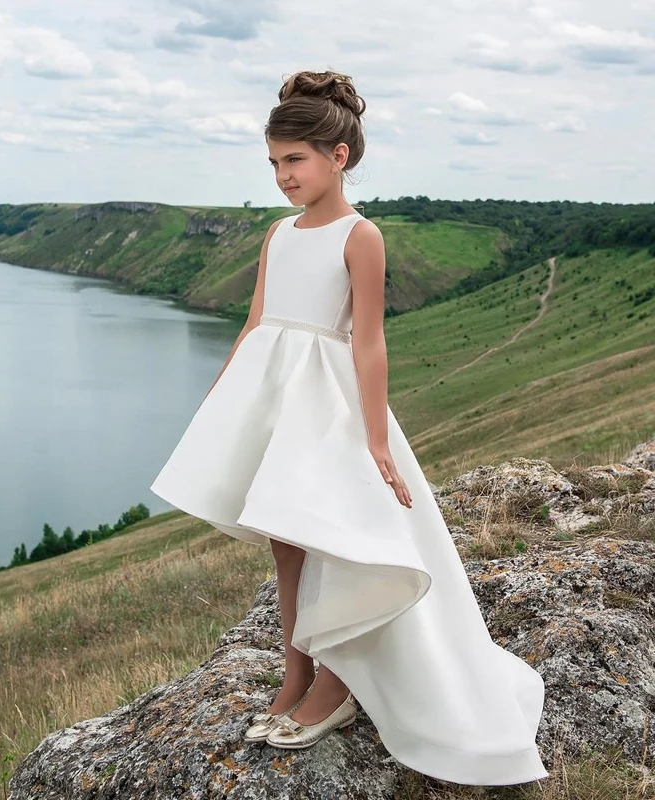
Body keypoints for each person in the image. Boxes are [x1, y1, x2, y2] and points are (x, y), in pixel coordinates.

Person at [149, 69, 549, 787]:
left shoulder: (360, 236)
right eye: (273, 163)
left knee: (335, 537)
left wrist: (372, 439)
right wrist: (219, 401)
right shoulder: (277, 234)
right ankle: (293, 676)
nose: (282, 176)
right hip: (276, 403)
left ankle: (332, 687)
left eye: (294, 160)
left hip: (328, 409)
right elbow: (255, 323)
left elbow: (368, 342)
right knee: (286, 546)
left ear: (339, 156)